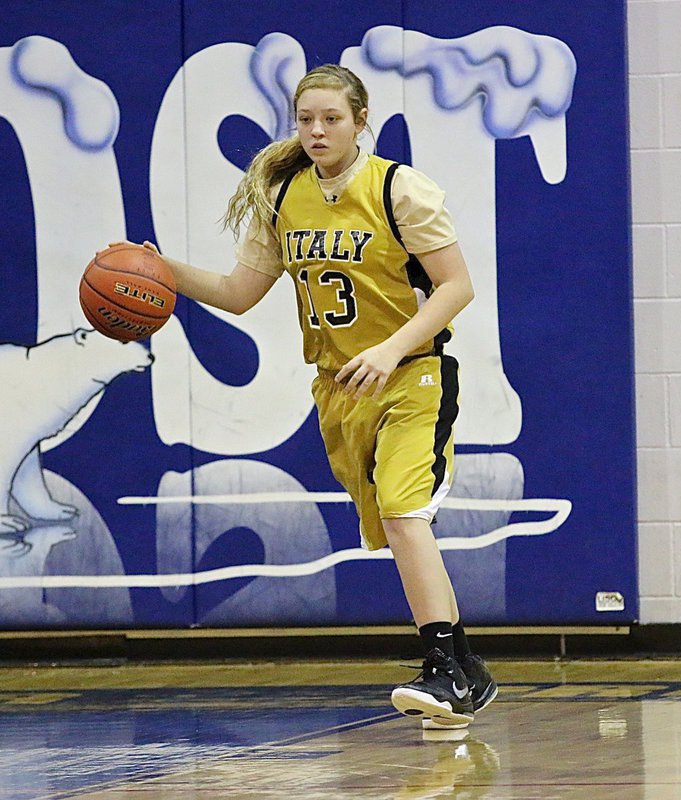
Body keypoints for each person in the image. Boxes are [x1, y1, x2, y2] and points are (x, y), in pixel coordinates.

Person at [122, 63, 496, 728]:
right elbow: (240, 293)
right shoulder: (284, 196)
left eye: (331, 118)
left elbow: (456, 287)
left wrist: (387, 350)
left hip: (412, 375)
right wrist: (161, 269)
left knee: (406, 513)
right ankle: (467, 671)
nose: (317, 130)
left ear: (359, 122)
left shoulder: (397, 189)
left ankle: (442, 668)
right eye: (306, 119)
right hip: (338, 387)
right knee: (389, 528)